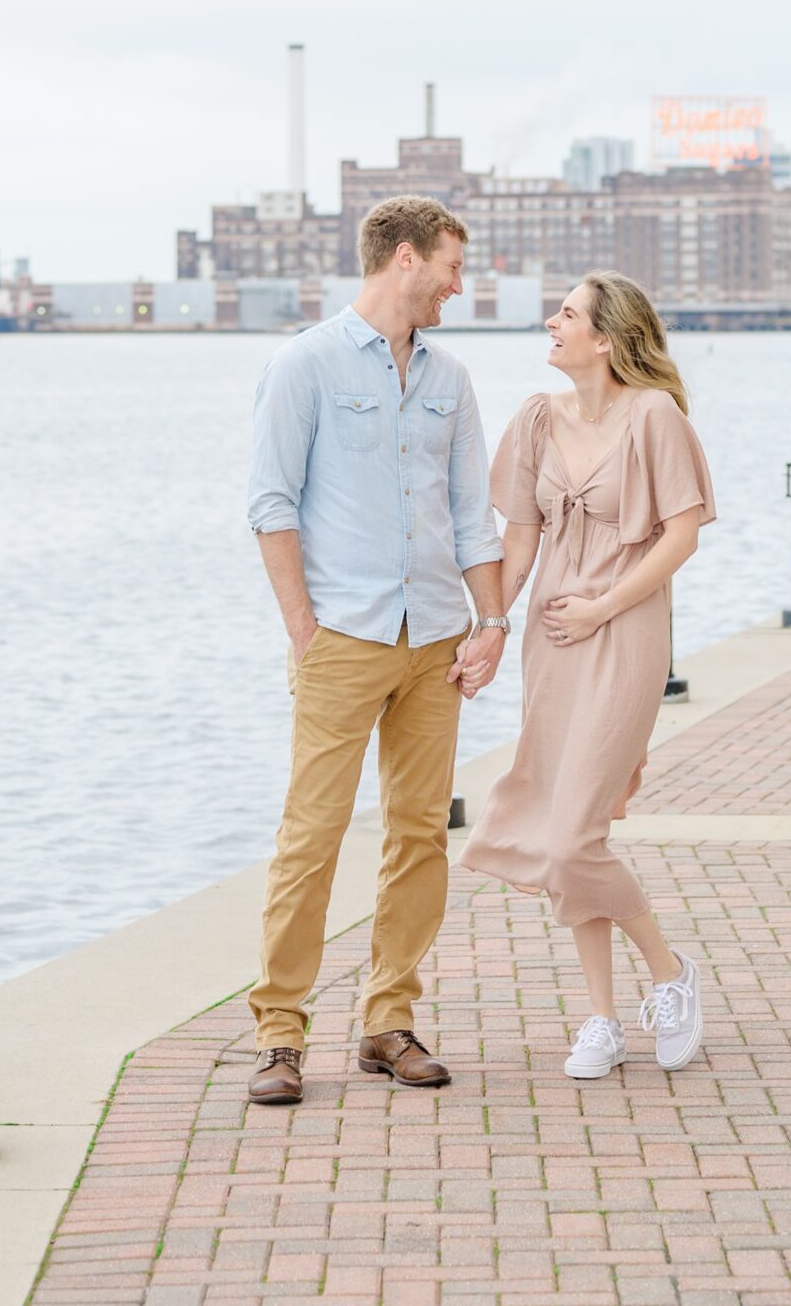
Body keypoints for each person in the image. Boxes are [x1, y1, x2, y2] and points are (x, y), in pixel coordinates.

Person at [244, 196, 510, 1106]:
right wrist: (303, 632)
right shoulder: (304, 364)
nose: (457, 286)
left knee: (417, 835)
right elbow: (270, 504)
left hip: (434, 639)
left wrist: (493, 624)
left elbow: (473, 514)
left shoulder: (451, 379)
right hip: (343, 640)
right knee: (310, 839)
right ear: (405, 259)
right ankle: (279, 1035)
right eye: (450, 267)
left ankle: (386, 1021)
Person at [460, 271, 716, 1080]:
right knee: (567, 826)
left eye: (566, 314)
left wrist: (603, 606)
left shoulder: (655, 417)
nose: (551, 322)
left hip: (625, 629)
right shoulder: (536, 419)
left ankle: (670, 973)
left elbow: (680, 537)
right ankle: (601, 1019)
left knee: (571, 837)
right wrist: (491, 625)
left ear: (605, 338)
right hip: (552, 640)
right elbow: (522, 539)